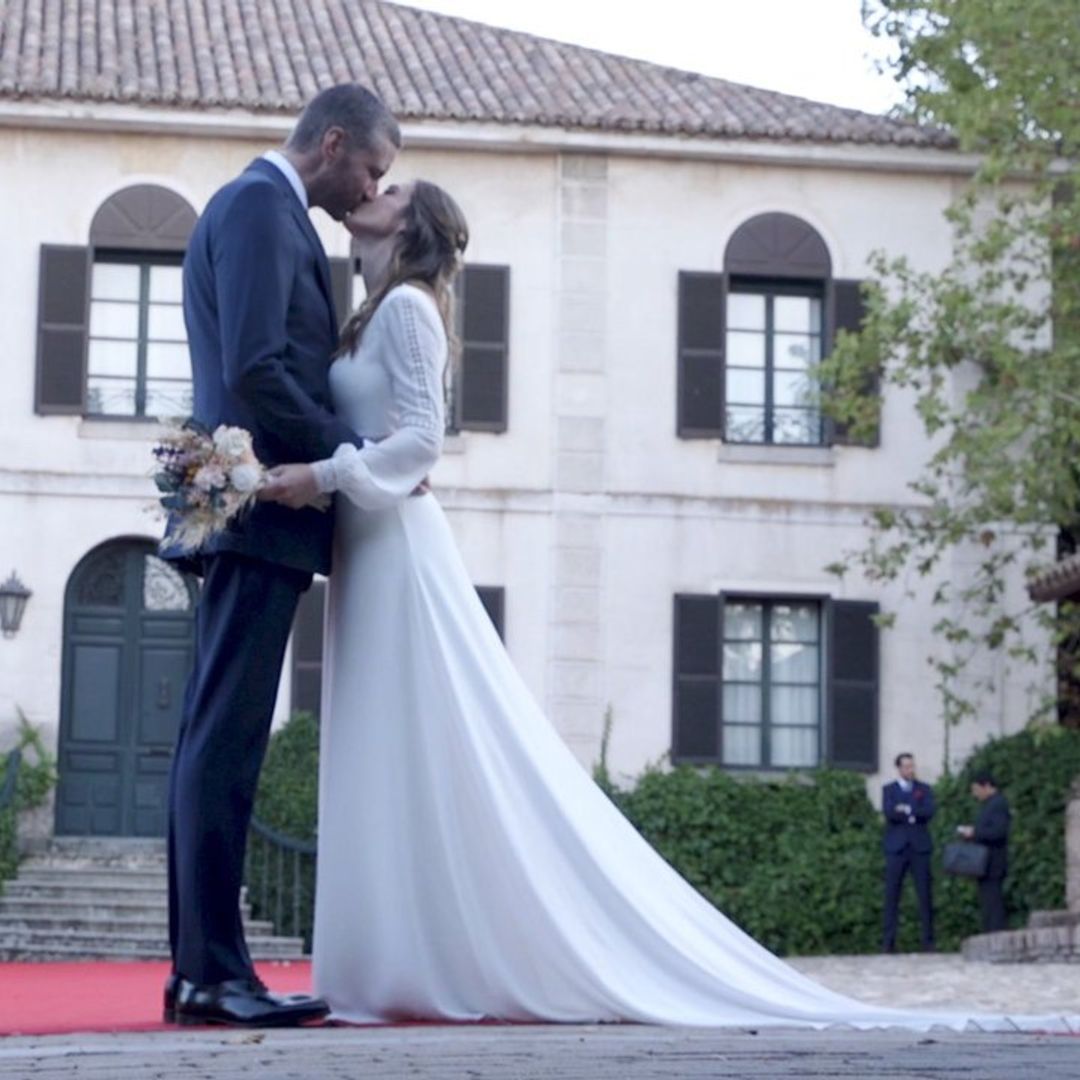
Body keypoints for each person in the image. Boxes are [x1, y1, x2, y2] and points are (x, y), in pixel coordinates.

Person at [262, 181, 1076, 1033]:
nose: (371, 192)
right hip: (368, 546)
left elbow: (425, 440)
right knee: (384, 749)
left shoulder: (407, 313)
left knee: (417, 744)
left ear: (412, 225)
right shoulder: (372, 310)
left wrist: (318, 477)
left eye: (390, 189)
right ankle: (395, 955)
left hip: (397, 552)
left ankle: (420, 958)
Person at [160, 84, 400, 1027]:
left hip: (246, 505)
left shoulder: (251, 207)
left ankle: (199, 973)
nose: (372, 186)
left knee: (210, 737)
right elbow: (260, 364)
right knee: (222, 741)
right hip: (260, 507)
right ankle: (213, 975)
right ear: (332, 143)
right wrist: (351, 453)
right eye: (372, 168)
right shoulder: (263, 208)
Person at [881, 752, 936, 953]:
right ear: (899, 768)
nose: (910, 770)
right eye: (906, 767)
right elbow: (889, 812)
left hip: (919, 847)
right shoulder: (889, 789)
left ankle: (928, 941)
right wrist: (912, 812)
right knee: (892, 895)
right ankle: (888, 942)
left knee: (925, 894)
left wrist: (907, 810)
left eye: (912, 766)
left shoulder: (924, 789)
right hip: (896, 847)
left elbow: (928, 811)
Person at [958, 772, 1011, 933]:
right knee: (987, 901)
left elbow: (998, 832)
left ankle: (996, 934)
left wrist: (975, 832)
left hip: (994, 861)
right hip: (985, 863)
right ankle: (990, 932)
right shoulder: (989, 805)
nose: (975, 794)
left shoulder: (998, 804)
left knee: (993, 901)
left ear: (987, 786)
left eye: (976, 789)